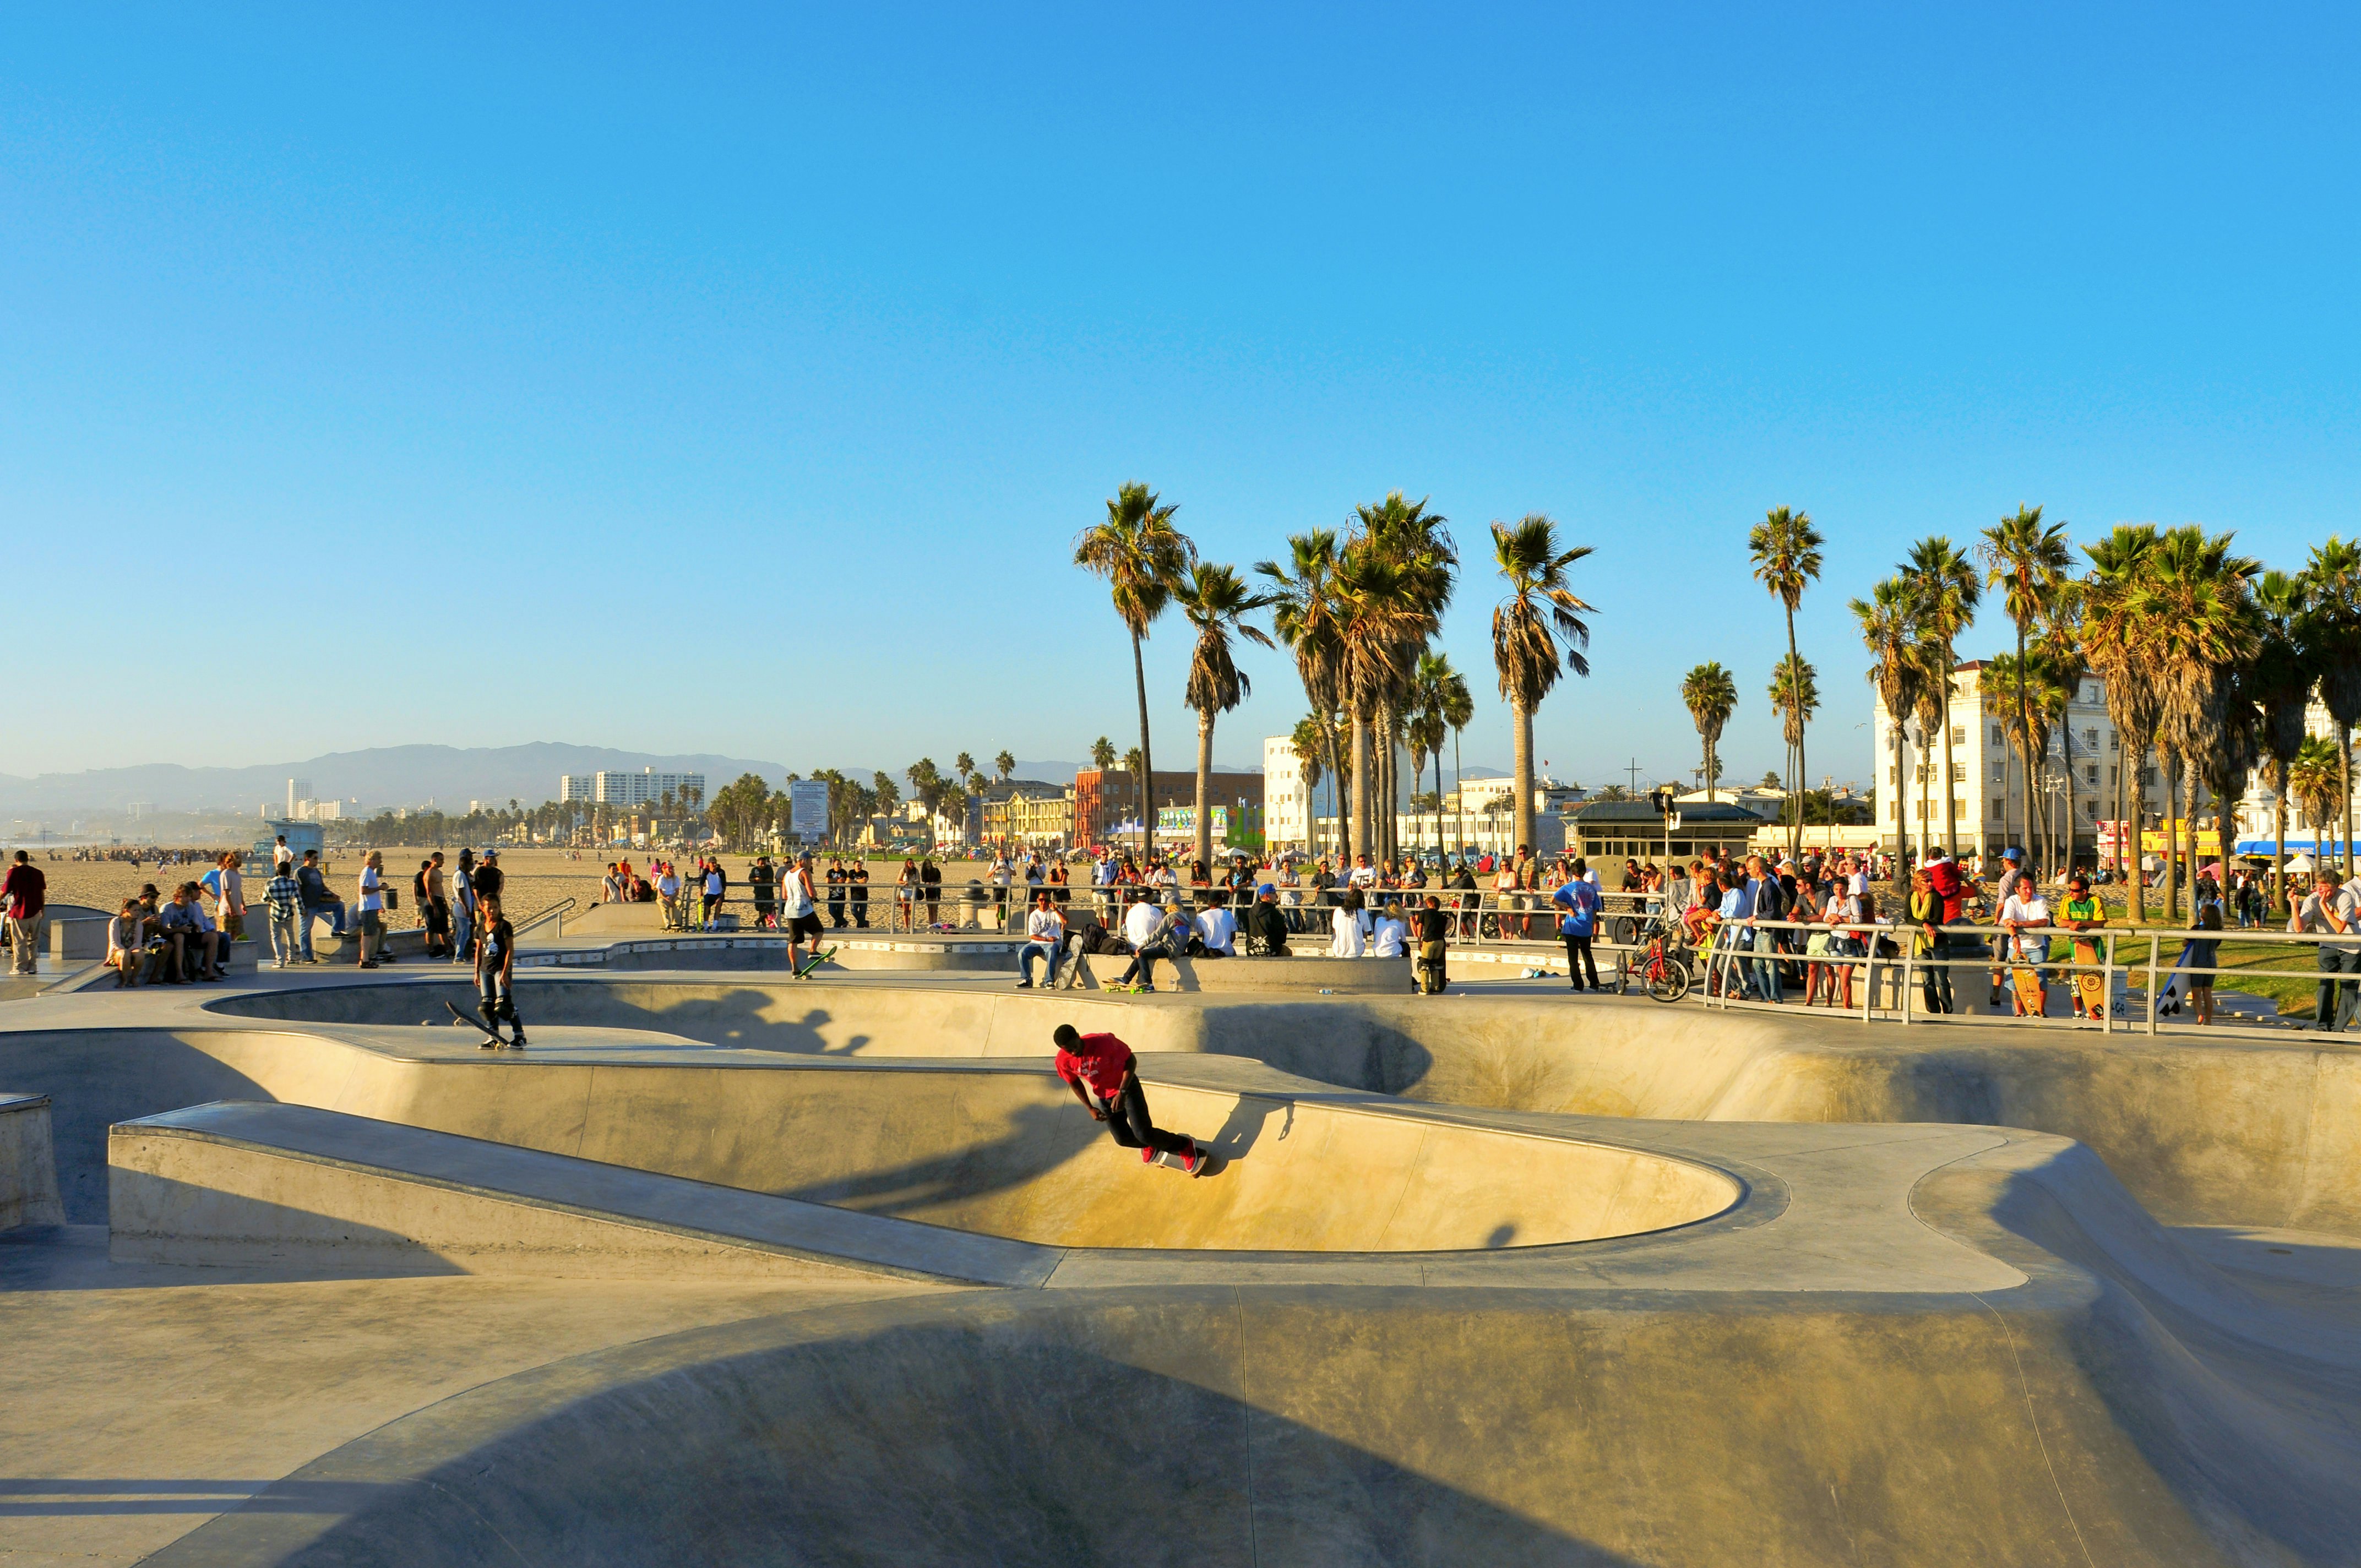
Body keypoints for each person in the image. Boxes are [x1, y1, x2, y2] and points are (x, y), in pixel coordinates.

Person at [1052, 1023, 1201, 1173]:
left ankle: (1184, 1145)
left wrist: (1122, 1092)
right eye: (1068, 1050)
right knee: (1122, 1139)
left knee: (1143, 1133)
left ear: (1078, 1036)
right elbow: (1074, 1082)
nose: (1073, 1052)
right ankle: (1149, 1145)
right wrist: (1090, 1108)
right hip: (1104, 1097)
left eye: (1075, 1046)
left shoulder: (1104, 1043)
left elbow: (1131, 1061)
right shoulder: (1063, 1061)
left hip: (1128, 1088)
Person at [474, 892, 526, 1048]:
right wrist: (476, 972)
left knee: (504, 1005)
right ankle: (493, 1036)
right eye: (489, 908)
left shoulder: (504, 926)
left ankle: (519, 1035)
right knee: (487, 1006)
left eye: (496, 907)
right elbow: (478, 951)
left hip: (500, 969)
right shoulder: (480, 928)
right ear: (482, 908)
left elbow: (510, 950)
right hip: (485, 970)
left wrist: (505, 972)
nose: (492, 911)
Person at [1997, 874, 2053, 1016]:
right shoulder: (2011, 901)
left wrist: (2021, 924)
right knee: (2015, 981)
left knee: (2039, 980)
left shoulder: (2040, 901)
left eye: (2031, 888)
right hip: (2015, 947)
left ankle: (2039, 1011)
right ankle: (2019, 1012)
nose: (2029, 892)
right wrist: (2014, 936)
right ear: (2017, 890)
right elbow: (2008, 921)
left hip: (2037, 946)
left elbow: (2044, 921)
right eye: (2025, 889)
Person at [1114, 890, 1183, 992]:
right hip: (1150, 946)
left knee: (1141, 953)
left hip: (1132, 946)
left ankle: (1126, 979)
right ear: (1150, 897)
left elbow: (1127, 930)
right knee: (1142, 953)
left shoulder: (1131, 911)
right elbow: (1159, 933)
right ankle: (1142, 982)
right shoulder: (1155, 911)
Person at [1554, 860, 1602, 992]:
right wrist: (1592, 926)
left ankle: (1578, 985)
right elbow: (1595, 909)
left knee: (1573, 958)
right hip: (1586, 926)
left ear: (1573, 872)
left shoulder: (1568, 887)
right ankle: (1594, 983)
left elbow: (1553, 899)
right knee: (1588, 955)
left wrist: (1568, 907)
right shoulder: (1591, 888)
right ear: (1584, 872)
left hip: (1572, 926)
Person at [780, 852, 826, 974]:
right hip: (804, 909)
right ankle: (813, 950)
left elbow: (784, 895)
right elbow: (811, 893)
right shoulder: (804, 872)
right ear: (804, 860)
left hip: (790, 910)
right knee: (818, 930)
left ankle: (795, 969)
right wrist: (813, 896)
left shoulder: (787, 875)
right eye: (810, 860)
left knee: (793, 941)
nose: (811, 863)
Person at [3, 850, 46, 976]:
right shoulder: (38, 873)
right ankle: (32, 966)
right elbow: (41, 893)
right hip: (35, 911)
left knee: (19, 941)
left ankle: (20, 967)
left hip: (19, 911)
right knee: (34, 940)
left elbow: (5, 891)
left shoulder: (13, 872)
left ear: (16, 860)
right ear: (28, 859)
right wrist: (42, 908)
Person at [297, 849, 344, 962]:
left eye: (318, 858)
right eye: (315, 858)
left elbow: (322, 886)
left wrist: (333, 895)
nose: (317, 860)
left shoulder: (316, 872)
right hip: (308, 906)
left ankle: (336, 930)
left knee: (339, 906)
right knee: (305, 931)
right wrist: (301, 907)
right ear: (307, 859)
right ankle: (307, 957)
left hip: (319, 902)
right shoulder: (300, 872)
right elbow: (297, 890)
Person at [1016, 891, 1066, 988]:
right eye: (1041, 900)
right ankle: (1026, 979)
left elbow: (1065, 921)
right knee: (1022, 953)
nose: (1044, 902)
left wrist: (1056, 910)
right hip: (1037, 943)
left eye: (1046, 900)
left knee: (1052, 951)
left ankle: (1049, 980)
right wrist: (1047, 939)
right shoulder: (1034, 915)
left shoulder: (1054, 912)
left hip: (1053, 943)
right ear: (1038, 901)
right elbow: (1033, 936)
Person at [263, 857, 304, 970]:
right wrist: (302, 910)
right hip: (288, 913)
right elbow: (298, 898)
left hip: (275, 914)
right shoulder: (292, 883)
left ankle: (280, 960)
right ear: (288, 871)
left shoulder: (270, 883)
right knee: (290, 934)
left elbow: (264, 898)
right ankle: (292, 957)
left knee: (276, 937)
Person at [356, 850, 390, 969]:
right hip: (367, 908)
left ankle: (365, 958)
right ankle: (365, 959)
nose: (380, 862)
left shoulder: (372, 873)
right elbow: (364, 890)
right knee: (368, 934)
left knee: (370, 933)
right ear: (372, 860)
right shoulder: (366, 872)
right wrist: (380, 888)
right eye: (378, 859)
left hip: (372, 907)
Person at [105, 897, 149, 987]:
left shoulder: (138, 923)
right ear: (126, 910)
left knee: (140, 954)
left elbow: (138, 942)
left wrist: (130, 950)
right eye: (135, 910)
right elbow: (114, 942)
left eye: (138, 910)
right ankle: (124, 980)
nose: (137, 913)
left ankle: (134, 978)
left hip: (131, 950)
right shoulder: (116, 922)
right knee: (124, 954)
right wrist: (125, 950)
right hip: (117, 952)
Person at [1414, 894, 1449, 994]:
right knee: (1435, 965)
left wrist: (1419, 940)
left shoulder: (1424, 913)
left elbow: (1420, 927)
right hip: (1440, 942)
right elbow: (1450, 921)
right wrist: (1442, 932)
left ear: (1429, 904)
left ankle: (1424, 989)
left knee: (1424, 965)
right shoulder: (1440, 916)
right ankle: (1435, 988)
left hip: (1429, 941)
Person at [1245, 883, 1290, 957]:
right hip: (1272, 951)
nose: (1277, 896)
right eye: (1274, 893)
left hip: (1252, 951)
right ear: (1267, 896)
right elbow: (1282, 938)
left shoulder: (1250, 912)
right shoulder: (1274, 913)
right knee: (1288, 953)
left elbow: (1248, 932)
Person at [450, 847, 478, 964]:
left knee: (461, 933)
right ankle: (459, 957)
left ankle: (459, 955)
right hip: (461, 908)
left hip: (462, 907)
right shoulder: (460, 875)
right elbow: (461, 893)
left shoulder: (463, 875)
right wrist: (466, 908)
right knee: (465, 933)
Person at [422, 852, 451, 958]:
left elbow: (441, 890)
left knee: (443, 928)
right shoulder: (429, 873)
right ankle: (431, 950)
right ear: (435, 860)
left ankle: (448, 949)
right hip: (432, 901)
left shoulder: (439, 873)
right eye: (441, 860)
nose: (443, 862)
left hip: (440, 900)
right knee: (431, 928)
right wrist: (434, 907)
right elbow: (429, 891)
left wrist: (446, 905)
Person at [1195, 889, 1237, 958]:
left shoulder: (1201, 916)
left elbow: (1200, 933)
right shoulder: (1228, 914)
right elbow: (1233, 936)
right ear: (1221, 902)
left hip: (1209, 951)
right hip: (1226, 951)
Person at [1329, 888, 1371, 957]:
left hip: (1338, 950)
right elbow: (1366, 933)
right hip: (1357, 951)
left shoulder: (1338, 911)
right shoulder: (1363, 913)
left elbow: (1335, 929)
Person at [656, 859, 681, 931]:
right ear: (665, 870)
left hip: (673, 896)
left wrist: (672, 898)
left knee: (680, 903)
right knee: (663, 905)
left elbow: (677, 891)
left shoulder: (676, 878)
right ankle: (668, 924)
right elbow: (660, 892)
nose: (671, 870)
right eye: (669, 869)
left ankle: (676, 923)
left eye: (672, 868)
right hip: (663, 896)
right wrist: (667, 899)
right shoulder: (662, 878)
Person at [850, 858, 871, 929]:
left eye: (860, 865)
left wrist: (855, 880)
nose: (859, 867)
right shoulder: (851, 872)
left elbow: (864, 880)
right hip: (854, 895)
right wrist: (859, 880)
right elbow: (848, 881)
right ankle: (865, 923)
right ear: (854, 866)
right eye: (858, 865)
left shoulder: (864, 872)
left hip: (864, 895)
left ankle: (860, 928)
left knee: (863, 913)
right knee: (854, 911)